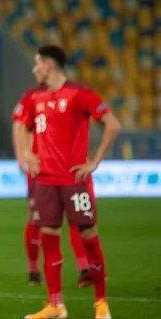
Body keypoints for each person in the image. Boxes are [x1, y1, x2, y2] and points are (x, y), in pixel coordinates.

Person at [15, 45, 120, 319]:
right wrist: (26, 154)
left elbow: (112, 124)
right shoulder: (33, 97)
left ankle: (101, 304)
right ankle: (56, 305)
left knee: (89, 239)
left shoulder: (79, 94)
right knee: (49, 239)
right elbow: (19, 126)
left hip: (74, 181)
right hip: (45, 182)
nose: (34, 69)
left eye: (37, 63)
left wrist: (94, 161)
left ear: (49, 65)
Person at [13, 87, 93, 288]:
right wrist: (22, 157)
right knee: (38, 221)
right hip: (42, 170)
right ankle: (34, 271)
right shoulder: (32, 98)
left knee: (78, 218)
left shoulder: (71, 95)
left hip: (69, 168)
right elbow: (19, 125)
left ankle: (84, 269)